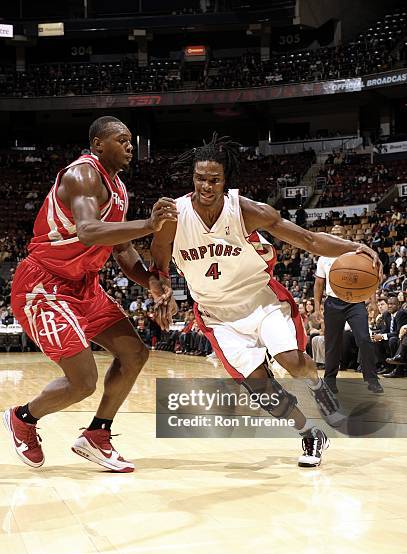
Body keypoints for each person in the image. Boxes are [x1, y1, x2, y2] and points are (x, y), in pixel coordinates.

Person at [150, 134, 381, 468]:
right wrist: (162, 291)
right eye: (200, 179)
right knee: (261, 388)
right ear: (193, 178)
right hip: (218, 315)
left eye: (214, 180)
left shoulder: (246, 211)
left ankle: (318, 388)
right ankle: (310, 434)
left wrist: (352, 248)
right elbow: (157, 266)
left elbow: (307, 239)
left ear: (224, 181)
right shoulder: (173, 216)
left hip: (261, 301)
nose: (206, 186)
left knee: (291, 359)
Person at [4, 115, 178, 472]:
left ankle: (97, 434)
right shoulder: (82, 174)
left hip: (84, 286)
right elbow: (87, 231)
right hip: (45, 286)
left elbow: (123, 250)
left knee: (134, 353)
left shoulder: (119, 189)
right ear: (99, 144)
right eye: (122, 139)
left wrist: (151, 282)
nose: (130, 145)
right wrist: (149, 224)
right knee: (82, 382)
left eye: (132, 140)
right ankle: (23, 417)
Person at [314, 225, 383, 394]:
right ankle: (330, 381)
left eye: (340, 233)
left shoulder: (357, 254)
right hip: (333, 302)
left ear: (345, 235)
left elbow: (370, 278)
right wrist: (317, 307)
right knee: (332, 344)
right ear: (330, 236)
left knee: (365, 338)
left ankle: (372, 380)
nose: (337, 235)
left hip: (356, 302)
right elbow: (319, 284)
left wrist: (373, 301)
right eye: (334, 233)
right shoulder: (324, 257)